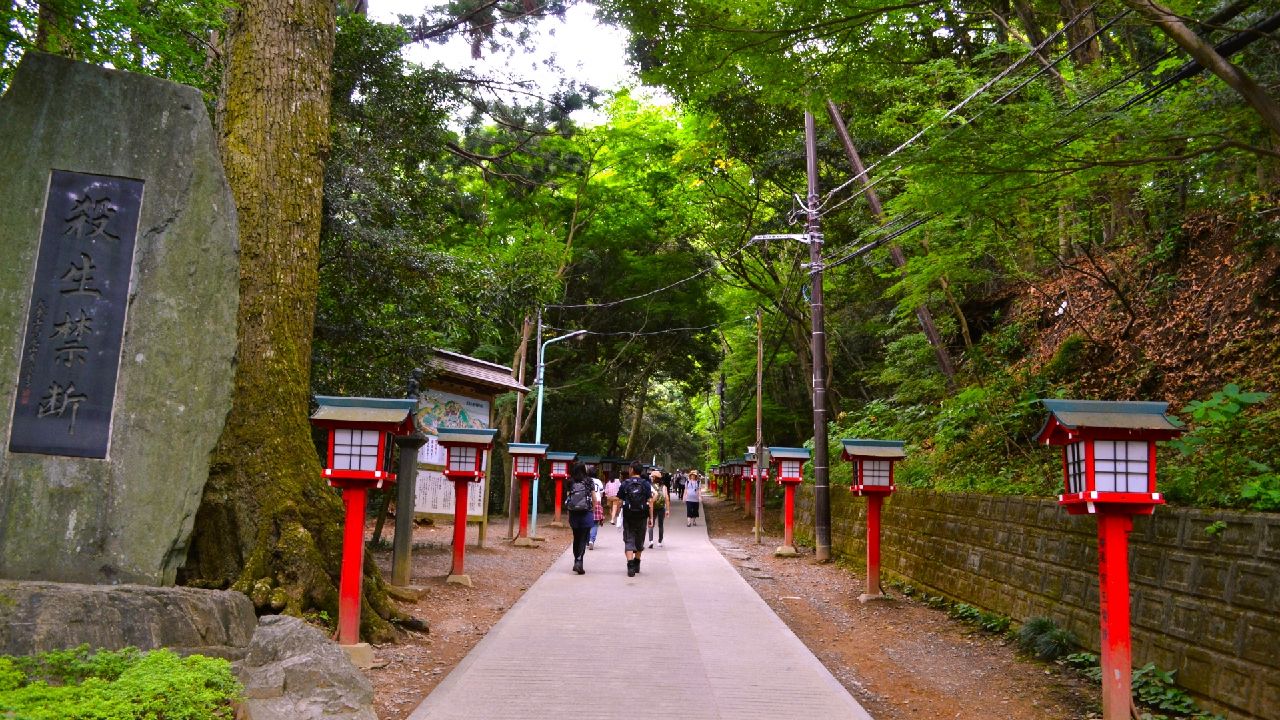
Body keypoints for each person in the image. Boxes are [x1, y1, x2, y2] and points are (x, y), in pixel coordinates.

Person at [564, 462, 601, 574]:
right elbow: (594, 497)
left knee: (576, 537)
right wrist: (594, 508)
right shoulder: (589, 481)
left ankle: (576, 560)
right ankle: (579, 561)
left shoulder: (570, 481)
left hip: (574, 513)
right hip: (586, 512)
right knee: (583, 538)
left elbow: (568, 498)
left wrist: (568, 513)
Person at [618, 461, 654, 577]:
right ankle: (637, 563)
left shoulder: (625, 483)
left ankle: (630, 566)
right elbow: (650, 502)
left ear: (632, 469)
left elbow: (619, 500)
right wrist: (651, 518)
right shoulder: (646, 484)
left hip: (628, 516)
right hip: (642, 515)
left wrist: (618, 514)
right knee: (640, 539)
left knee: (629, 539)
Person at [648, 468, 670, 548]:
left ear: (654, 477)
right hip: (661, 508)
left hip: (652, 508)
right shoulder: (664, 487)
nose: (651, 478)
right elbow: (667, 498)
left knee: (651, 523)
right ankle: (660, 541)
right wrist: (667, 510)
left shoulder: (650, 486)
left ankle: (651, 541)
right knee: (660, 525)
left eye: (652, 477)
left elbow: (649, 498)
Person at [587, 472, 604, 550]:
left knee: (586, 522)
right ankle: (591, 540)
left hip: (587, 502)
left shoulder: (586, 480)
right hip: (597, 502)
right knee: (595, 523)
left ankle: (587, 540)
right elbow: (601, 494)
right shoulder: (599, 481)